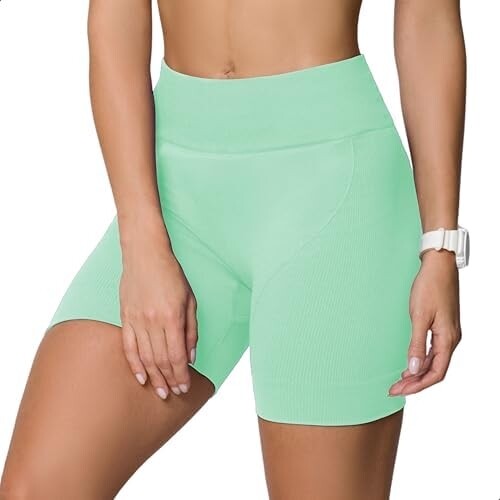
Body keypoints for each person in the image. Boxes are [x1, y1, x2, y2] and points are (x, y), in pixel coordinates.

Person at [0, 0, 466, 498]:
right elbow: (115, 19)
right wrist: (140, 243)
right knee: (37, 489)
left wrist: (440, 245)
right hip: (176, 192)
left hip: (333, 189)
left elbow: (428, 18)